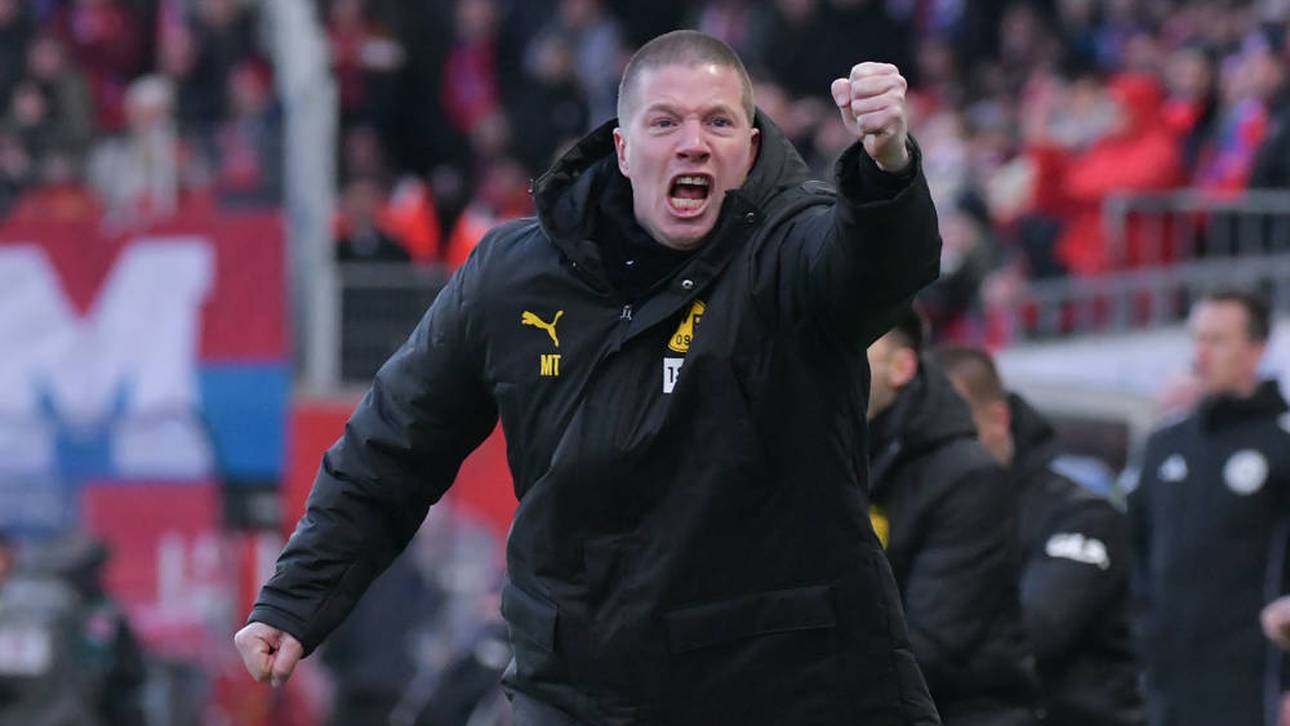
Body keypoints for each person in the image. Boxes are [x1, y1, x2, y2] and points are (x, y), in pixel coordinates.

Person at [236, 30, 944, 726]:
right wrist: (296, 599)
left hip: (788, 685)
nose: (692, 142)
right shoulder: (513, 275)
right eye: (665, 121)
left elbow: (877, 266)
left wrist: (884, 168)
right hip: (582, 687)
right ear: (623, 148)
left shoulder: (793, 247)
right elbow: (391, 445)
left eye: (719, 122)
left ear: (751, 148)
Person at [940, 345, 1144, 726]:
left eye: (953, 432)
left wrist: (925, 642)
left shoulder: (1081, 515)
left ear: (998, 421)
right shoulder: (933, 512)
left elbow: (1038, 633)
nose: (942, 453)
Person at [1127, 289, 1290, 726]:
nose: (1200, 354)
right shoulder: (1165, 443)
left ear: (1256, 349)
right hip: (1165, 679)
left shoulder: (1281, 444)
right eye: (1197, 338)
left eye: (1217, 340)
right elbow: (1134, 548)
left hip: (1251, 685)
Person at [866, 311, 1037, 726]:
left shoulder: (966, 477)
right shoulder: (835, 458)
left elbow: (931, 645)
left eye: (860, 347)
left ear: (901, 367)